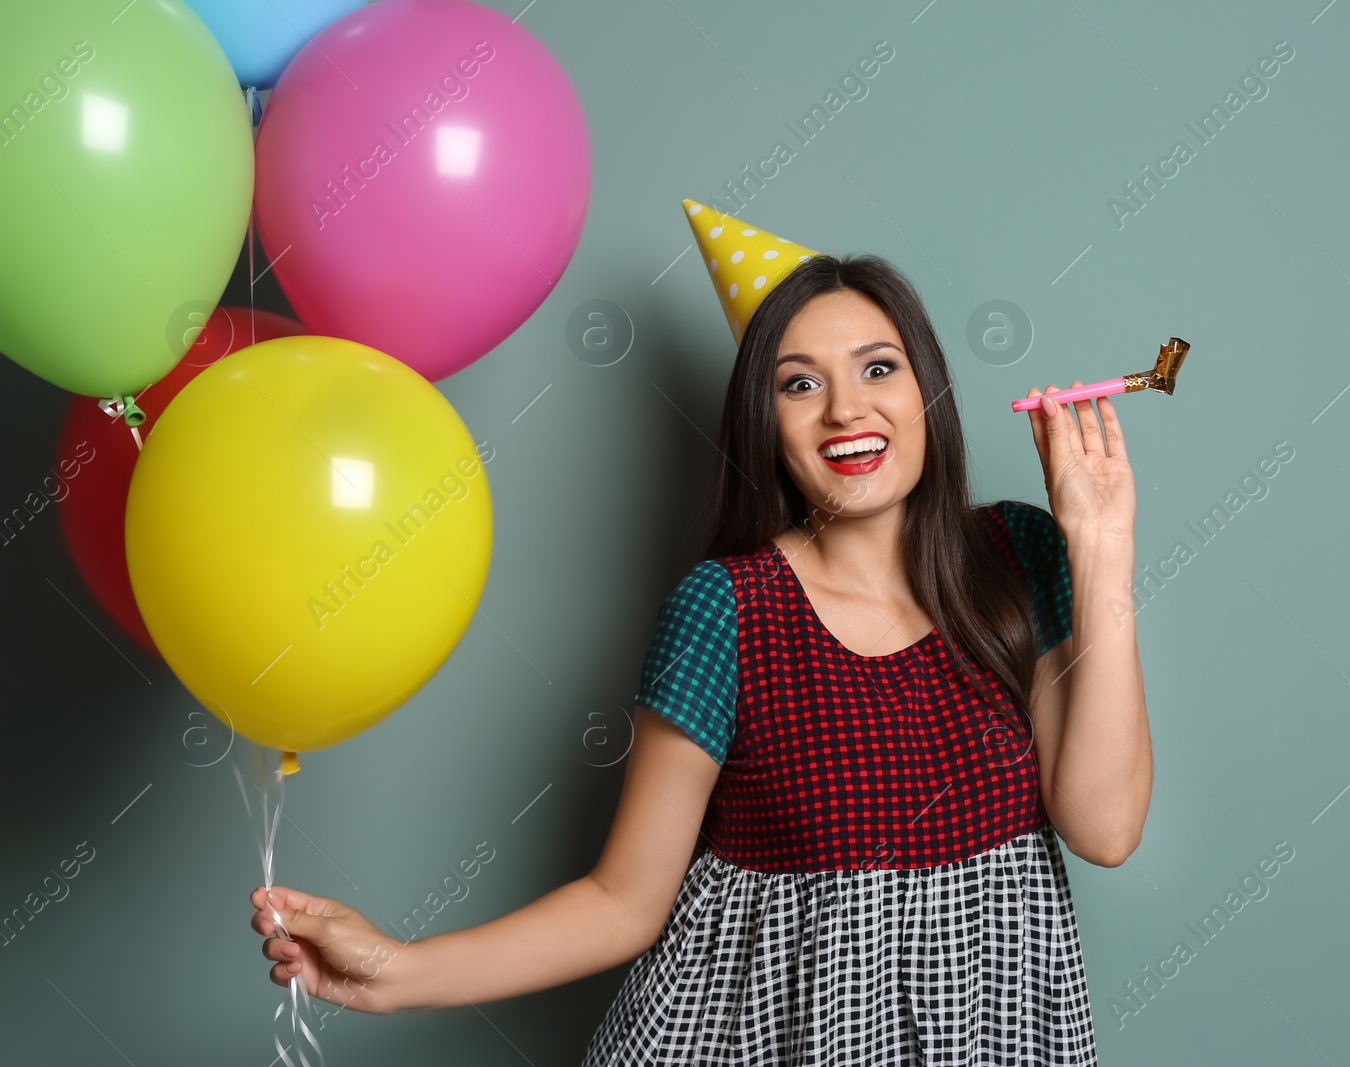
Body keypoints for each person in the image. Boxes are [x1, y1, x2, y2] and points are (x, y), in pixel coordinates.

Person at [249, 250, 1151, 1065]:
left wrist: (1100, 547)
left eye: (879, 368)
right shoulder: (725, 610)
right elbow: (622, 902)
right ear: (768, 420)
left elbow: (1104, 829)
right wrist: (393, 972)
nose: (846, 409)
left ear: (928, 392)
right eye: (800, 385)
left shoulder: (1021, 556)